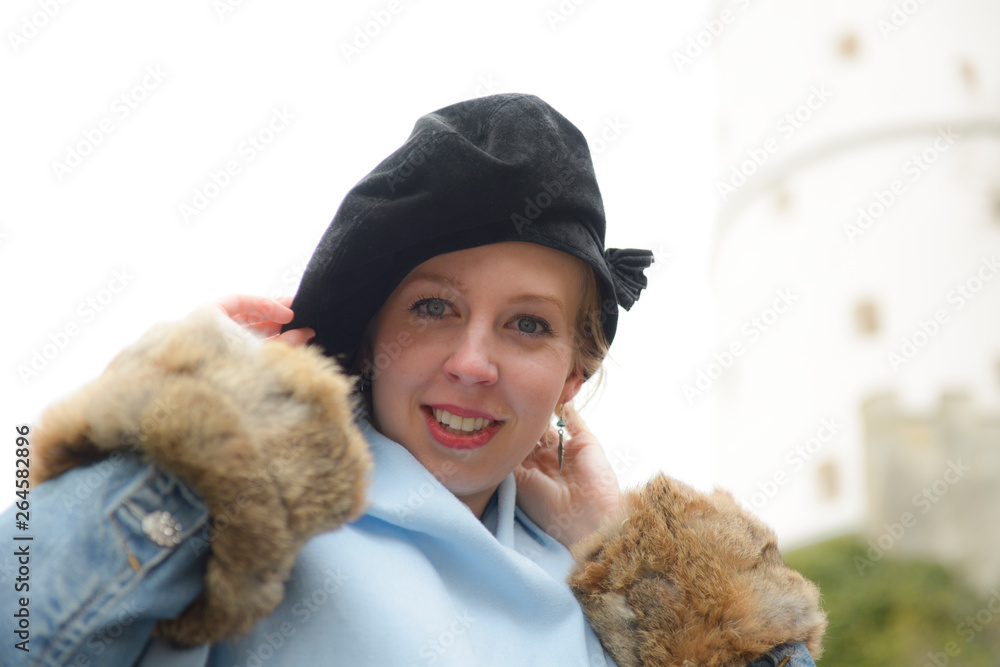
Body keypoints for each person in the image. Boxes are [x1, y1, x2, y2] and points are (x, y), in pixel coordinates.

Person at [2, 94, 820, 666]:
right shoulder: (243, 503)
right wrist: (189, 441)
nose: (472, 361)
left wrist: (645, 566)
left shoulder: (606, 601)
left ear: (573, 373)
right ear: (369, 338)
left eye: (528, 323)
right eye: (433, 307)